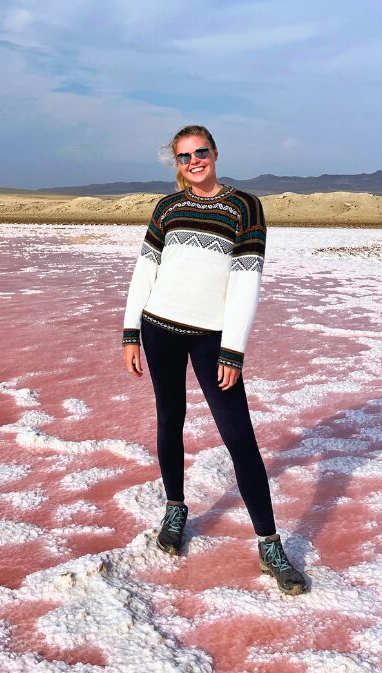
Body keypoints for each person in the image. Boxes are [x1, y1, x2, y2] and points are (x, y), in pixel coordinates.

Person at [121, 124, 308, 595]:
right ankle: (175, 509)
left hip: (211, 339)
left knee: (238, 435)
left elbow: (247, 282)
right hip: (159, 328)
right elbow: (145, 271)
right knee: (170, 419)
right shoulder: (167, 208)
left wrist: (233, 347)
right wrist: (129, 333)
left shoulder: (244, 207)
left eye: (200, 153)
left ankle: (269, 543)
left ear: (215, 153)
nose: (194, 162)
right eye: (184, 157)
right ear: (177, 164)